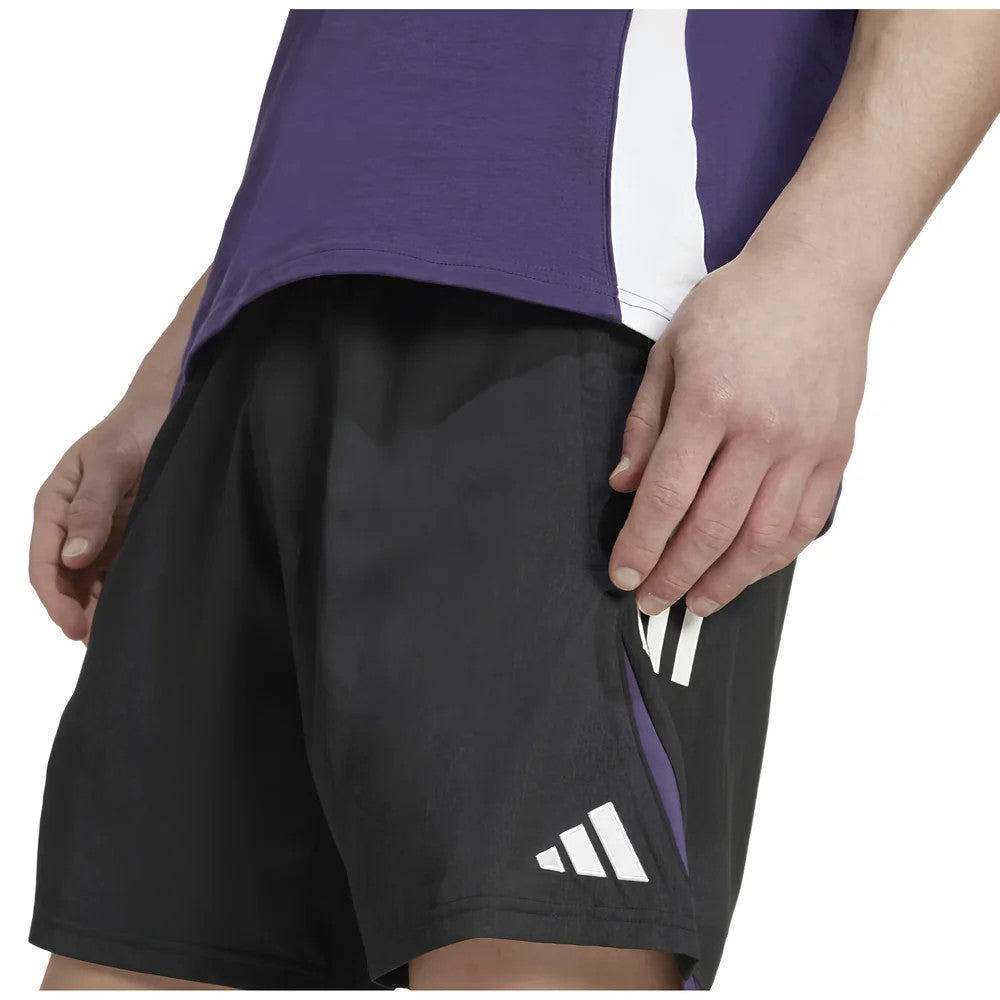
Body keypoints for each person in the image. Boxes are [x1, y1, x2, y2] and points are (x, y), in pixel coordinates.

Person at [26, 9, 1000, 991]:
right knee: (142, 961)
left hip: (588, 306)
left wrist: (821, 274)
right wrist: (179, 364)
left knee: (532, 958)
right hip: (263, 334)